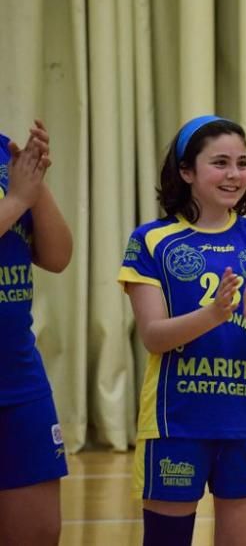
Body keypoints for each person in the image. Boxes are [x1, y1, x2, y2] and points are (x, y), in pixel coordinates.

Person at [119, 116, 246, 546]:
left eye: (242, 163)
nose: (234, 174)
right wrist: (214, 314)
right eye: (220, 163)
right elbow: (153, 336)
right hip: (176, 424)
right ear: (186, 171)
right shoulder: (152, 241)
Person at [0, 120, 72, 545]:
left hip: (20, 380)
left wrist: (36, 184)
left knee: (39, 533)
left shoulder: (5, 152)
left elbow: (58, 256)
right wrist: (17, 199)